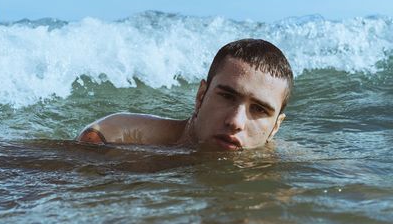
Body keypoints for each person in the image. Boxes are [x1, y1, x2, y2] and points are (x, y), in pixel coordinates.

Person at [77, 39, 293, 151]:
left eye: (259, 109)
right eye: (227, 96)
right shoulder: (110, 139)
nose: (236, 122)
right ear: (201, 96)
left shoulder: (290, 167)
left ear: (275, 127)